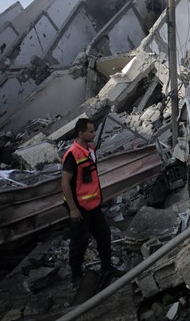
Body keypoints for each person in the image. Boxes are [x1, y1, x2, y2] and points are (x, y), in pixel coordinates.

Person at [61, 118, 113, 287]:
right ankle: (76, 276)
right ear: (80, 133)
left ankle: (107, 268)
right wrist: (73, 209)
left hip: (93, 205)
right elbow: (65, 183)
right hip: (79, 208)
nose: (94, 134)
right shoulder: (73, 154)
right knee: (79, 243)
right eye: (90, 131)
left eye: (93, 131)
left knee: (104, 235)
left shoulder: (89, 150)